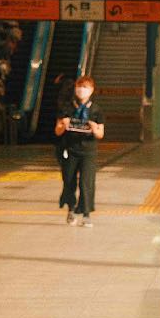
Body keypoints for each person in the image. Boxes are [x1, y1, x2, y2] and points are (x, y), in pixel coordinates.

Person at [53, 75, 104, 226]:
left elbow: (101, 134)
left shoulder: (96, 110)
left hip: (89, 151)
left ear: (92, 90)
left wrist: (94, 129)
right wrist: (63, 125)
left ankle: (86, 213)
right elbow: (57, 131)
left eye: (85, 87)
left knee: (86, 182)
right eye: (79, 87)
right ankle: (71, 209)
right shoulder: (67, 108)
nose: (82, 90)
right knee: (69, 181)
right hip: (70, 150)